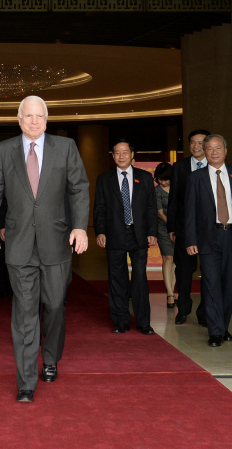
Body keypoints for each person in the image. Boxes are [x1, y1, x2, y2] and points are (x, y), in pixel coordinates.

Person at [0, 95, 90, 403]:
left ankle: (51, 356)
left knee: (55, 305)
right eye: (27, 116)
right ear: (19, 120)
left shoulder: (65, 148)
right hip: (19, 246)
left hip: (56, 242)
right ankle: (26, 381)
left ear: (46, 120)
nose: (33, 121)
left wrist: (80, 226)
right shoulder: (3, 151)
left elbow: (79, 187)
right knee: (26, 311)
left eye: (39, 116)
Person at [184, 134, 232, 348]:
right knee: (211, 284)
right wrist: (190, 240)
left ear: (225, 150)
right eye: (209, 148)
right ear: (204, 152)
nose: (214, 151)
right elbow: (189, 212)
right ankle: (215, 331)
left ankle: (223, 326)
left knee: (229, 284)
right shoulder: (196, 178)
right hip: (208, 238)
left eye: (218, 148)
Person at [94, 139, 158, 335]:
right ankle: (121, 321)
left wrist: (152, 232)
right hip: (114, 234)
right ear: (112, 156)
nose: (121, 156)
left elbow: (151, 208)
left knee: (139, 277)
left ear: (132, 155)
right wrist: (100, 231)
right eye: (117, 153)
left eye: (125, 152)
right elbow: (100, 208)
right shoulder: (104, 179)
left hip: (138, 235)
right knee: (117, 279)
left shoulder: (145, 177)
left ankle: (143, 322)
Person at [167, 129, 211, 326]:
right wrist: (172, 226)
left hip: (210, 228)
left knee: (209, 271)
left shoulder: (216, 165)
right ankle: (183, 309)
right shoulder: (180, 166)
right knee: (184, 271)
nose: (195, 146)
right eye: (192, 142)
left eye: (200, 142)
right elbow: (174, 198)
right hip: (185, 228)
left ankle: (204, 313)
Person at [153, 162, 176, 308]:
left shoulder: (178, 188)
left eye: (166, 179)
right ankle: (169, 294)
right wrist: (172, 226)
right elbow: (160, 213)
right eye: (160, 179)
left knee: (176, 262)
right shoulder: (157, 191)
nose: (163, 182)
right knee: (168, 258)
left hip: (180, 229)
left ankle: (173, 290)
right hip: (163, 228)